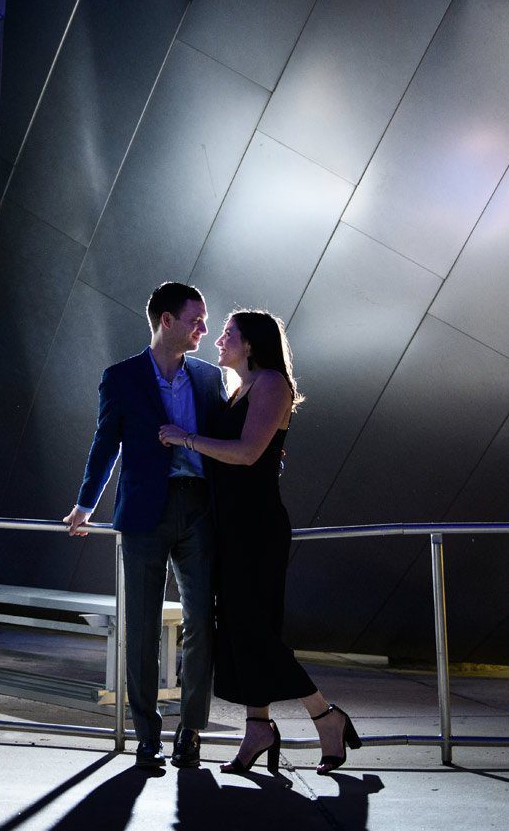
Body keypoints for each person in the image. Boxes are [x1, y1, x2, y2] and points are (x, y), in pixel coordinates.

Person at [159, 310, 361, 775]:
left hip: (256, 528)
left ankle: (326, 716)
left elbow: (249, 454)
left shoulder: (271, 383)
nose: (219, 340)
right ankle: (257, 728)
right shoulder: (238, 390)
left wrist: (186, 439)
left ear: (250, 343)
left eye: (228, 334)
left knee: (254, 630)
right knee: (235, 628)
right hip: (230, 526)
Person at [64, 282, 228, 768]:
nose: (204, 328)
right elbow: (104, 444)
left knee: (202, 621)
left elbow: (227, 440)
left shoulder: (208, 377)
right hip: (142, 515)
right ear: (166, 320)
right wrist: (85, 504)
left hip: (199, 510)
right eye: (196, 318)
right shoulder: (121, 377)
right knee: (140, 625)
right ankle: (147, 734)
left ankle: (191, 731)